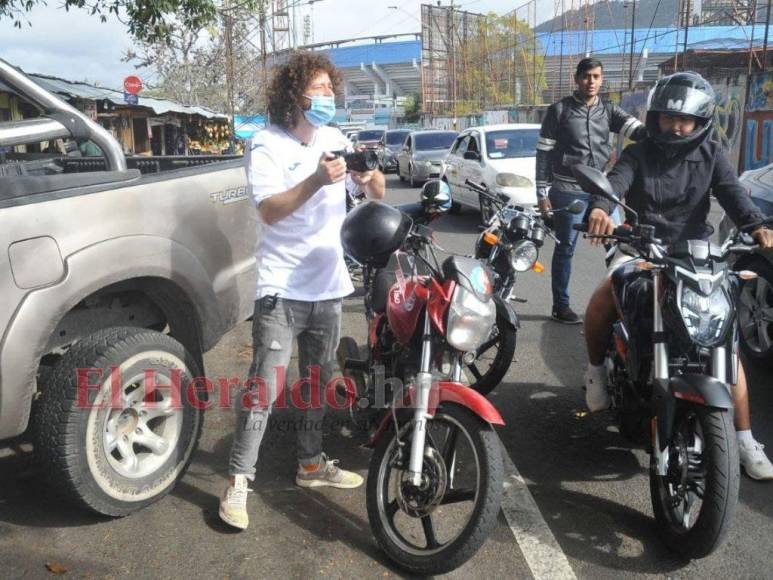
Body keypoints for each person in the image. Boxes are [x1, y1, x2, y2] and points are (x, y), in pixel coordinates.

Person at [219, 52, 386, 530]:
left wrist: (369, 176)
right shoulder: (265, 145)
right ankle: (237, 482)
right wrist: (315, 179)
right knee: (264, 388)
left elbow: (376, 194)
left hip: (329, 285)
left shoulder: (335, 138)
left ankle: (311, 465)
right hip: (281, 287)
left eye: (331, 89)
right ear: (296, 94)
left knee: (316, 384)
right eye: (320, 89)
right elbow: (270, 211)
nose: (329, 96)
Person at [583, 71, 773, 480]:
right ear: (655, 118)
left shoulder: (712, 154)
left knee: (724, 340)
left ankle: (743, 438)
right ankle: (596, 370)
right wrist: (601, 208)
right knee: (602, 300)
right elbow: (615, 183)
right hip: (641, 246)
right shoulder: (638, 152)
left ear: (701, 121)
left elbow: (733, 194)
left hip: (695, 253)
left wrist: (757, 227)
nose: (675, 126)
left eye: (684, 120)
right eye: (668, 118)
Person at [536, 57, 647, 324]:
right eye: (586, 77)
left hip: (602, 191)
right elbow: (543, 153)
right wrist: (541, 195)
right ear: (576, 79)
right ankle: (560, 306)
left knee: (624, 246)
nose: (591, 82)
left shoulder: (609, 111)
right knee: (566, 250)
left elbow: (639, 131)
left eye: (596, 77)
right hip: (566, 189)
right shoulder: (559, 110)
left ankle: (626, 305)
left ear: (601, 79)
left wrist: (666, 130)